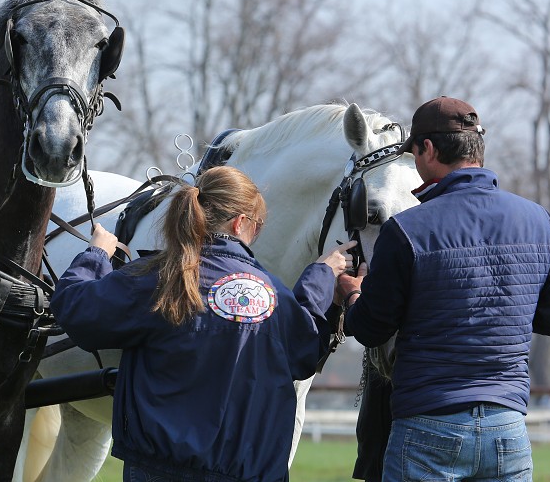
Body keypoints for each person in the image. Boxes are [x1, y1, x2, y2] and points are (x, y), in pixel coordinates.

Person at [51, 165, 355, 482]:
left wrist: (96, 253)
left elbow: (76, 310)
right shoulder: (275, 295)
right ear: (240, 223)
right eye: (258, 226)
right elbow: (303, 352)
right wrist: (321, 277)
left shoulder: (156, 278)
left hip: (158, 471)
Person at [336, 96, 550, 481]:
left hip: (427, 427)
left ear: (428, 149)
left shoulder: (407, 230)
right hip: (508, 429)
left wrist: (351, 292)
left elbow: (369, 329)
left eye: (413, 154)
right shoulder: (540, 221)